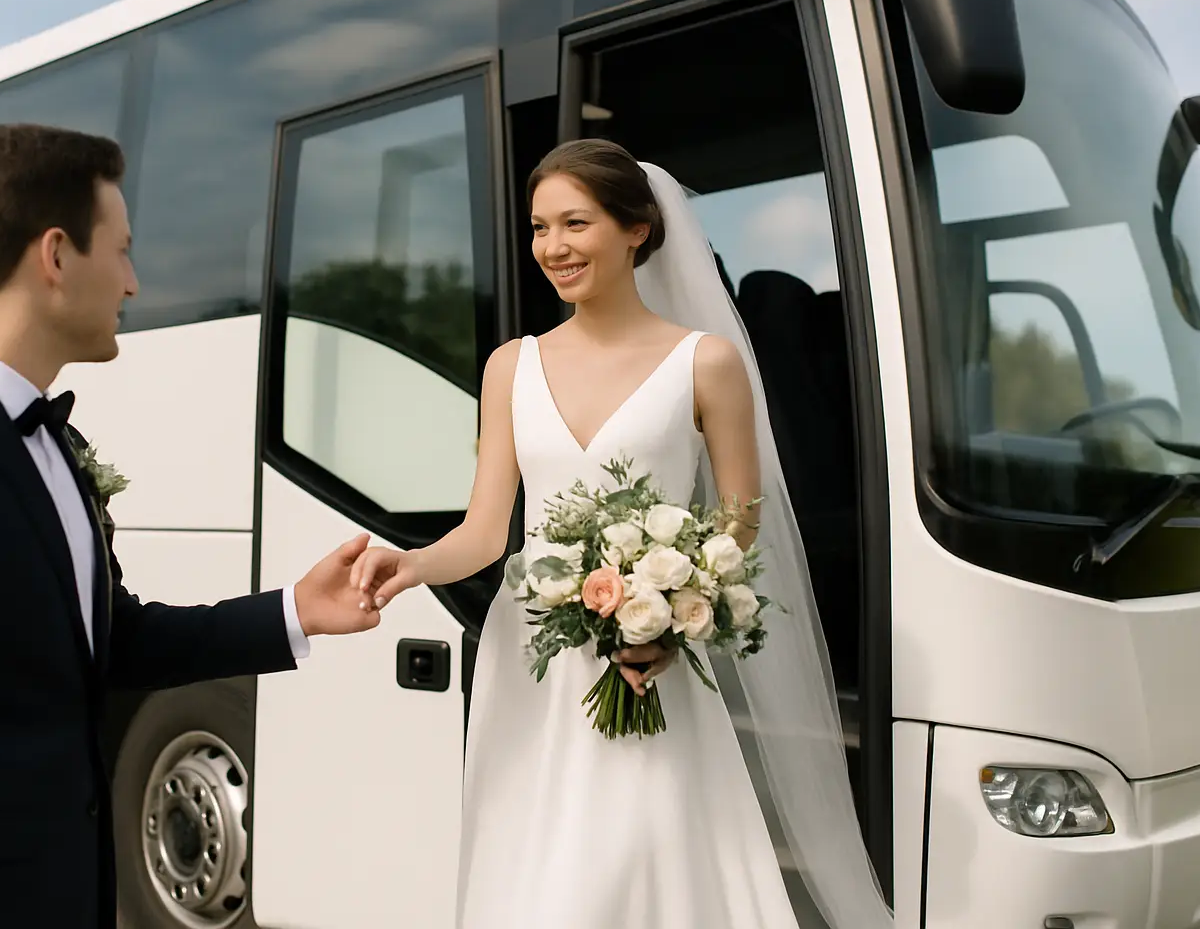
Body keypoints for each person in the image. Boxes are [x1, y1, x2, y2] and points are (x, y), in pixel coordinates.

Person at [0, 123, 381, 929]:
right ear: (55, 257)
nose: (132, 283)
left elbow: (108, 644)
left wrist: (293, 612)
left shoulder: (58, 445)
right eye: (123, 251)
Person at [352, 140, 894, 928]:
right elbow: (482, 534)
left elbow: (740, 523)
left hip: (655, 665)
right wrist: (410, 564)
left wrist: (671, 614)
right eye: (540, 227)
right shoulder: (511, 366)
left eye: (576, 222)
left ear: (637, 227)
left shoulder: (706, 363)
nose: (553, 247)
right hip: (533, 668)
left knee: (641, 867)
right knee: (538, 874)